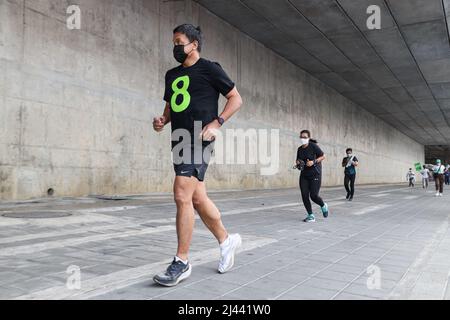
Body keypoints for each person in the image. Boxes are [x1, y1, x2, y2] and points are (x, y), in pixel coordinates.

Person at [152, 24, 243, 286]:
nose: (175, 47)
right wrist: (162, 121)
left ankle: (181, 261)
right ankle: (227, 242)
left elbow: (236, 98)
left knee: (181, 192)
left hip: (199, 138)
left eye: (180, 42)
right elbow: (170, 107)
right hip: (179, 140)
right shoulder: (172, 75)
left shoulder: (210, 68)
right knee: (198, 199)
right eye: (174, 43)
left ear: (194, 44)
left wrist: (217, 123)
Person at [295, 130, 329, 222]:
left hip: (315, 174)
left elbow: (323, 156)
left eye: (305, 137)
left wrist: (313, 161)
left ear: (309, 138)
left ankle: (323, 205)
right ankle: (311, 215)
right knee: (304, 195)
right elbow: (298, 160)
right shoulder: (299, 149)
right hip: (304, 175)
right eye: (301, 137)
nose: (303, 139)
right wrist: (298, 163)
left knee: (313, 196)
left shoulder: (313, 146)